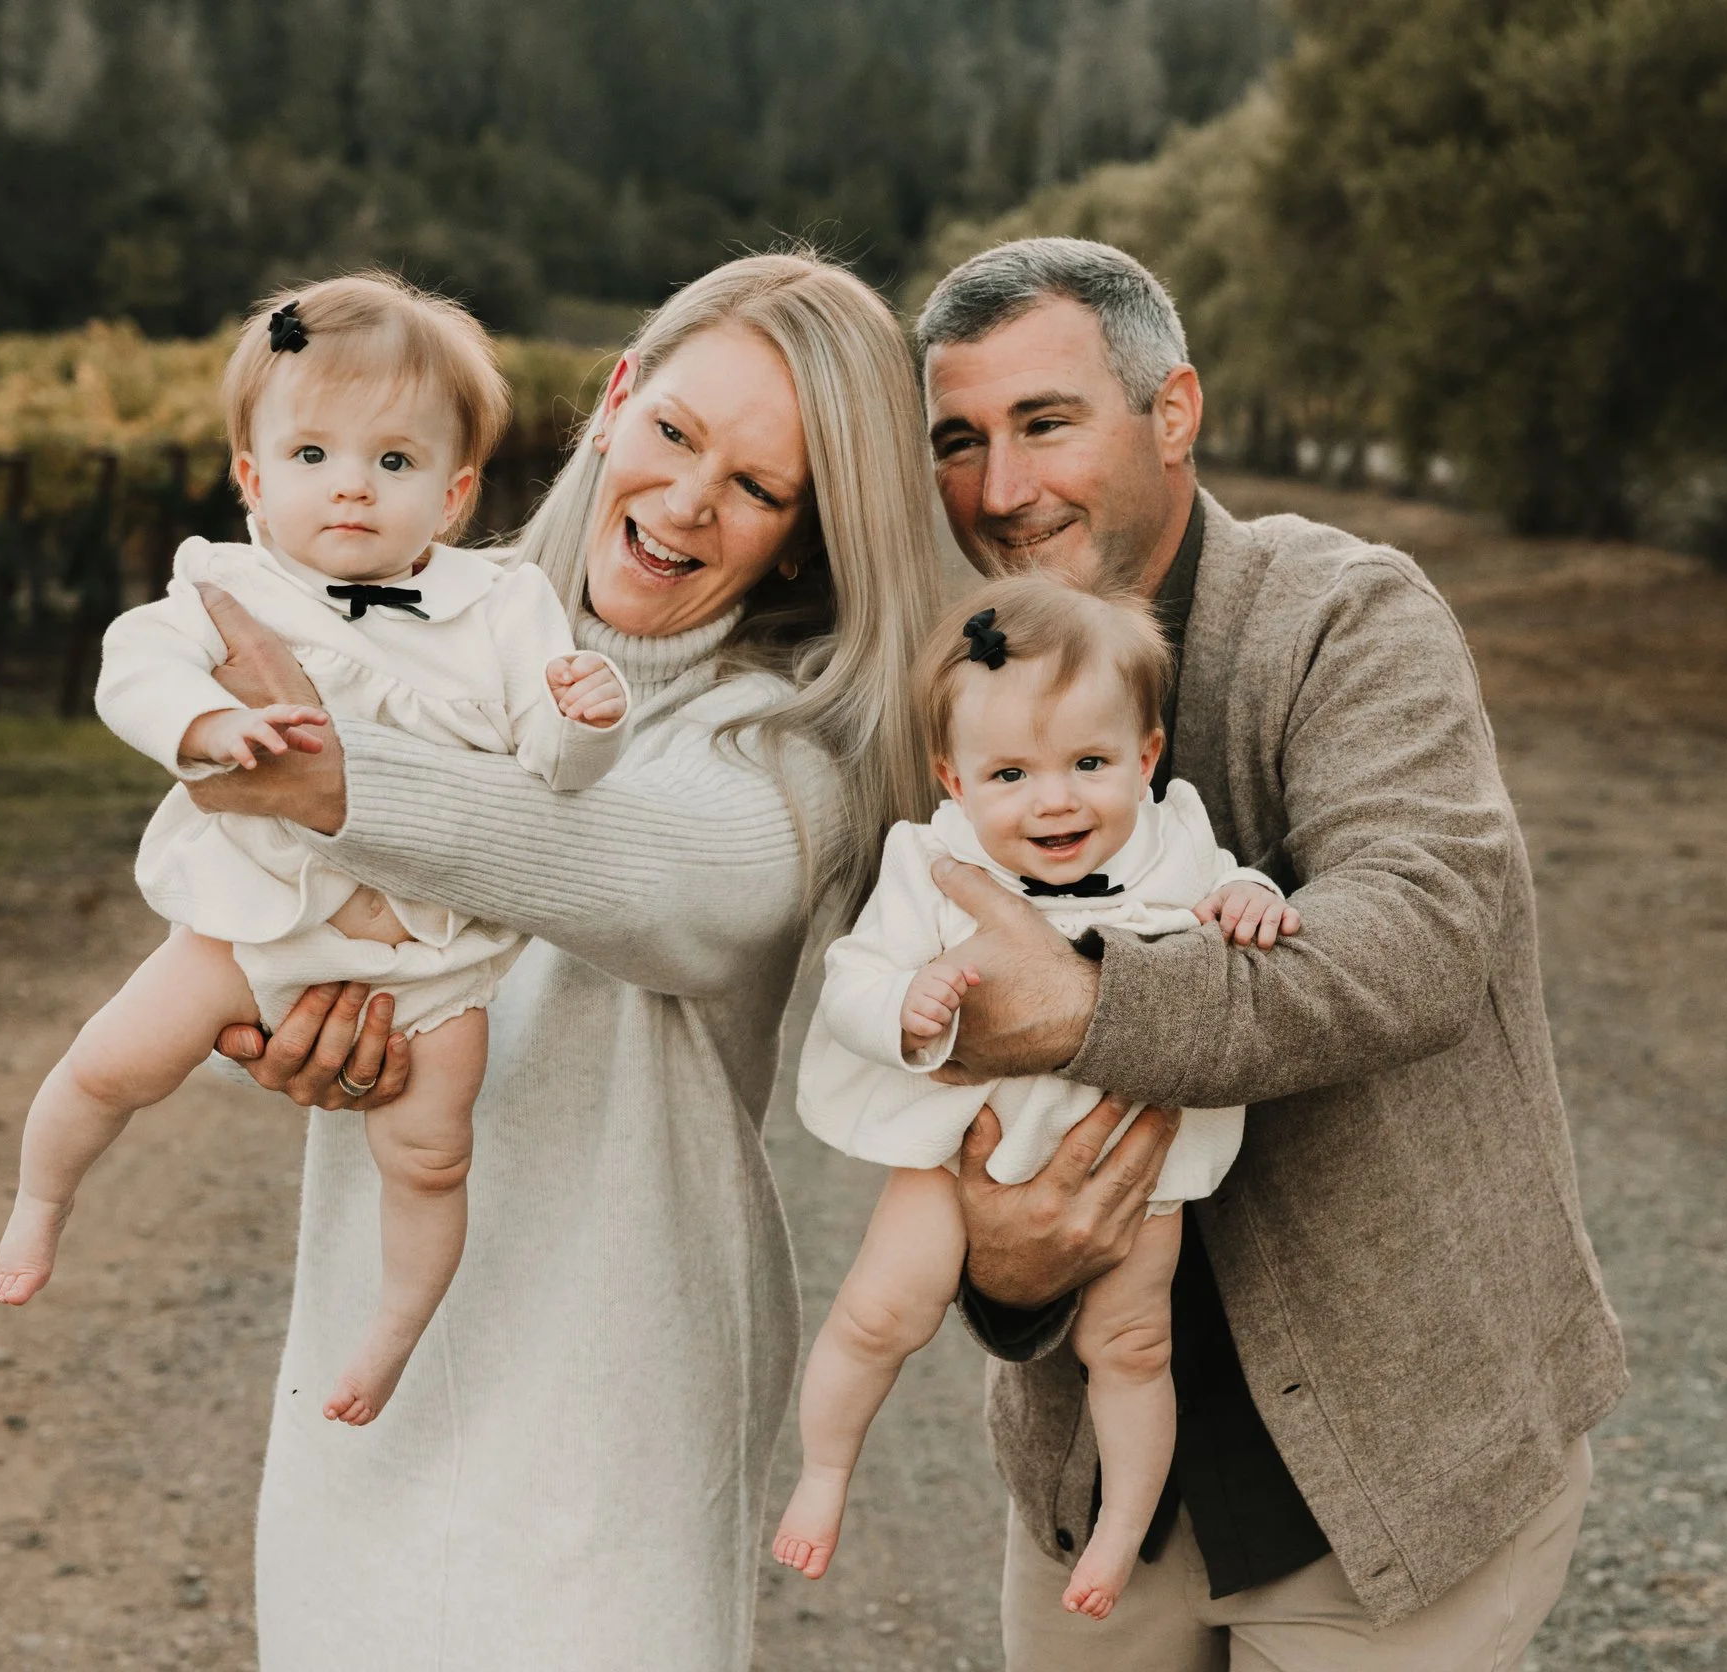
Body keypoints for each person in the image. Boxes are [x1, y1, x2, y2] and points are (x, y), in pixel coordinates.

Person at [174, 252, 944, 1669]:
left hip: (624, 1352)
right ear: (615, 399)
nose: (690, 501)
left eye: (761, 488)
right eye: (674, 434)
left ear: (805, 536)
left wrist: (350, 784)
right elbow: (259, 920)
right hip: (379, 1316)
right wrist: (283, 1033)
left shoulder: (785, 746)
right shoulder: (408, 639)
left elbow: (650, 878)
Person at [914, 237, 1628, 1668]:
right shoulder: (960, 686)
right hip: (1096, 1481)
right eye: (959, 441)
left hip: (1395, 1462)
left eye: (1045, 423)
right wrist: (993, 1263)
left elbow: (1415, 940)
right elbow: (913, 1023)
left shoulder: (1345, 613)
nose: (1000, 491)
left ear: (1173, 413)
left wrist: (1086, 1008)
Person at [0, 273, 630, 1436]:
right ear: (252, 478)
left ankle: (391, 1330)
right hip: (254, 913)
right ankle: (40, 1198)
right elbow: (131, 667)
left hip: (427, 953)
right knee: (112, 1061)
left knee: (430, 1155)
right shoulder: (228, 587)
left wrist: (586, 717)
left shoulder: (506, 605)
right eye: (315, 453)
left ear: (454, 490)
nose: (351, 485)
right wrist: (207, 723)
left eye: (394, 462)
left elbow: (551, 768)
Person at [773, 574, 1295, 1617]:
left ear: (1144, 758)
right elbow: (850, 980)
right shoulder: (931, 862)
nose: (1054, 800)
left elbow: (1239, 886)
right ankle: (824, 1473)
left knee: (1132, 1344)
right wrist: (908, 1006)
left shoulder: (1173, 837)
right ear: (952, 779)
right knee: (880, 1312)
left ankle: (1116, 1528)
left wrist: (1250, 895)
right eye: (1009, 772)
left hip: (1126, 1154)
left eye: (1089, 764)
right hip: (960, 1140)